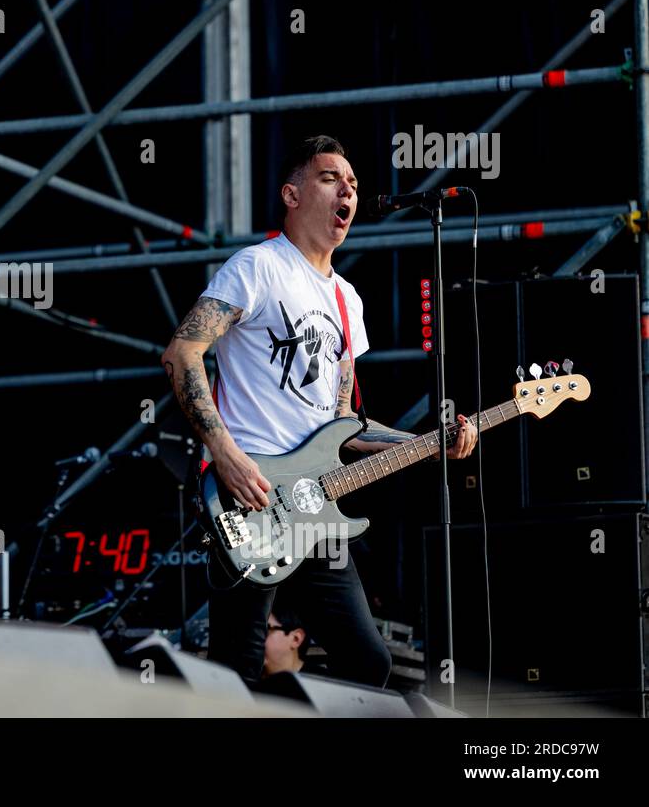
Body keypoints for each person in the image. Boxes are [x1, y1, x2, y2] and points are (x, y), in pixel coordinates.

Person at [161, 135, 477, 686]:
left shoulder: (346, 300)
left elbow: (343, 425)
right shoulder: (257, 267)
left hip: (314, 509)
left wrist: (427, 444)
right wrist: (225, 454)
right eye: (332, 178)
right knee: (238, 664)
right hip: (248, 494)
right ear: (292, 194)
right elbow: (182, 353)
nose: (348, 190)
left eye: (353, 183)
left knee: (369, 663)